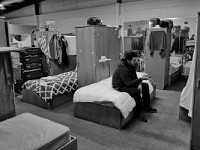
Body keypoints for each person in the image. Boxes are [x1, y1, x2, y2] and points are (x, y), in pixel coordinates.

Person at [112, 51, 157, 122]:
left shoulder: (132, 66)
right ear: (128, 60)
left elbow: (135, 78)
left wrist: (139, 84)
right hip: (120, 86)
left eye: (136, 60)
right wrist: (140, 79)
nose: (136, 62)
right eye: (134, 60)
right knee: (136, 91)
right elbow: (128, 84)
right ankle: (138, 114)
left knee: (145, 85)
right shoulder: (123, 69)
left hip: (126, 83)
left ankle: (146, 106)